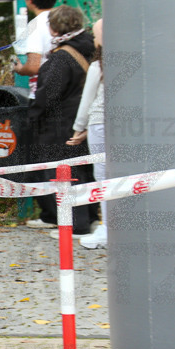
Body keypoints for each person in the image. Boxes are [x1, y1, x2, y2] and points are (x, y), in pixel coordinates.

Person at [26, 5, 95, 236]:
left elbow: (48, 96)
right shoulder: (89, 48)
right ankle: (90, 217)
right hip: (83, 122)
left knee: (64, 174)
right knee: (83, 172)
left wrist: (31, 116)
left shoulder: (62, 58)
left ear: (54, 28)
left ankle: (76, 225)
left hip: (60, 124)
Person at [68, 19, 106, 249]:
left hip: (99, 123)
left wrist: (78, 129)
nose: (93, 39)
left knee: (102, 177)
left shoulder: (98, 67)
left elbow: (87, 102)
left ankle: (107, 228)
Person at [12, 0, 60, 97]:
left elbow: (33, 66)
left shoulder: (35, 25)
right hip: (66, 91)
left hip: (43, 93)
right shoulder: (62, 20)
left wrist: (20, 69)